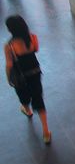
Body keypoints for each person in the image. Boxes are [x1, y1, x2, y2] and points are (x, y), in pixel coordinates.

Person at [4, 15, 51, 144]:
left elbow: (9, 65)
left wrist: (8, 78)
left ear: (10, 30)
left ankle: (27, 110)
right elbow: (36, 49)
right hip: (35, 72)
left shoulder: (9, 46)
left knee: (23, 95)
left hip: (21, 76)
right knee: (38, 98)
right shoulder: (33, 37)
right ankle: (46, 132)